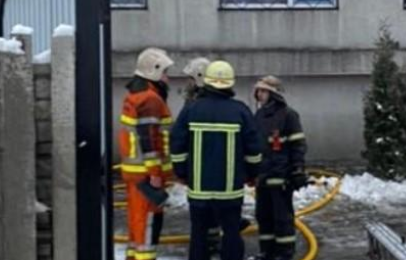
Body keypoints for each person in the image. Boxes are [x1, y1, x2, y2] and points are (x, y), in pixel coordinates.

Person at [171, 60, 264, 260]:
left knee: (199, 234)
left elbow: (177, 144)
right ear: (230, 84)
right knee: (231, 232)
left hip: (199, 189)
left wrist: (182, 173)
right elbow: (254, 149)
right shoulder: (240, 110)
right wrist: (252, 174)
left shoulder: (191, 109)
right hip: (230, 190)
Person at [119, 47, 176, 260]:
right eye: (164, 73)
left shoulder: (135, 96)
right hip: (147, 175)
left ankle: (134, 257)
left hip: (135, 173)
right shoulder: (151, 100)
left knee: (137, 222)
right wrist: (154, 173)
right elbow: (149, 138)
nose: (167, 78)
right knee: (148, 224)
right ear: (154, 71)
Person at [252, 75, 308, 260]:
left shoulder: (288, 115)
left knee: (282, 218)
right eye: (258, 91)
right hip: (263, 177)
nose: (259, 94)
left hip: (281, 177)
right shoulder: (258, 116)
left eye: (263, 91)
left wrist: (298, 169)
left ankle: (285, 252)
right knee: (263, 216)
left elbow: (297, 144)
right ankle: (267, 251)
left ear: (273, 94)